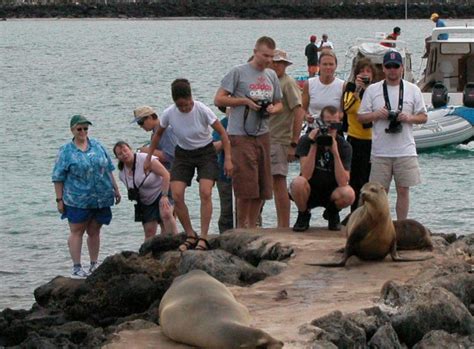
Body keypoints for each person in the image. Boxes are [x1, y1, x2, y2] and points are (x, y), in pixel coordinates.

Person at [145, 78, 232, 251]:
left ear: (191, 98)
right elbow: (157, 136)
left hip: (205, 152)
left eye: (187, 104)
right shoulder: (169, 113)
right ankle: (191, 234)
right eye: (180, 106)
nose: (184, 108)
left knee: (205, 192)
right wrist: (148, 158)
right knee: (176, 195)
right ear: (175, 102)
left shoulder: (202, 110)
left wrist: (228, 159)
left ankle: (204, 236)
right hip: (183, 154)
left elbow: (223, 133)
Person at [214, 36, 283, 229]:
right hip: (240, 134)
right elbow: (219, 99)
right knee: (245, 186)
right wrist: (244, 102)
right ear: (255, 52)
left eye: (271, 56)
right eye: (264, 55)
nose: (268, 60)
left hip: (263, 133)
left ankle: (252, 226)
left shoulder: (271, 76)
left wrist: (272, 109)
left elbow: (279, 103)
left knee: (262, 186)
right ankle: (241, 226)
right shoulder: (238, 72)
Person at [358, 51, 428, 220]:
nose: (392, 70)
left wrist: (408, 118)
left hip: (405, 150)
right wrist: (377, 115)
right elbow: (361, 117)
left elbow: (423, 117)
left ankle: (401, 225)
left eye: (396, 66)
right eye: (388, 66)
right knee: (379, 193)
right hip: (380, 152)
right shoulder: (373, 90)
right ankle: (380, 226)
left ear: (402, 68)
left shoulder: (413, 90)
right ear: (383, 68)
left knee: (403, 190)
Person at [52, 115, 121, 278]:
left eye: (85, 128)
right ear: (72, 130)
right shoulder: (66, 151)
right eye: (79, 129)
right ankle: (76, 267)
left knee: (94, 231)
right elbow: (57, 177)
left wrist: (116, 189)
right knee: (77, 231)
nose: (83, 131)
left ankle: (93, 264)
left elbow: (109, 168)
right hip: (77, 199)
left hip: (101, 197)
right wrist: (59, 200)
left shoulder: (97, 145)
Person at [290, 106, 355, 232]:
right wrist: (314, 145)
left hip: (332, 191)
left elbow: (343, 182)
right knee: (297, 183)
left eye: (334, 124)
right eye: (327, 123)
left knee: (349, 193)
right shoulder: (306, 140)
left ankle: (332, 213)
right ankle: (303, 214)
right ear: (320, 123)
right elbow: (306, 175)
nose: (330, 128)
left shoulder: (344, 146)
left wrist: (335, 152)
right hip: (310, 189)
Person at [114, 141, 178, 241]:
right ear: (117, 158)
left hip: (162, 190)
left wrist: (164, 195)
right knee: (149, 232)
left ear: (130, 149)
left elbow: (166, 175)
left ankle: (174, 243)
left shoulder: (144, 158)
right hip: (146, 200)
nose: (124, 154)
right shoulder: (122, 174)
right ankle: (149, 253)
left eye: (125, 150)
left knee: (165, 214)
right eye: (120, 154)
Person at [269, 49, 305, 228]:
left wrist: (294, 142)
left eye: (280, 63)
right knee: (269, 183)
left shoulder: (288, 83)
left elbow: (299, 111)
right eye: (274, 62)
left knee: (279, 182)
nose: (276, 65)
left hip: (280, 139)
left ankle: (283, 225)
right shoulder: (269, 82)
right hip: (267, 138)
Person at [343, 58, 377, 212]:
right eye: (362, 72)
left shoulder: (375, 91)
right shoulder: (350, 89)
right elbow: (347, 107)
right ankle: (354, 212)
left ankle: (367, 212)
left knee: (367, 179)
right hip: (354, 138)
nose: (365, 75)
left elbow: (376, 111)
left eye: (368, 72)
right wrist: (357, 90)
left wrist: (366, 90)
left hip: (371, 140)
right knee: (354, 179)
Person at [302, 50, 345, 133]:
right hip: (314, 129)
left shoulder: (342, 85)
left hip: (334, 130)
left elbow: (343, 112)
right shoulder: (309, 84)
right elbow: (303, 109)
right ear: (319, 65)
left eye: (331, 64)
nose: (328, 67)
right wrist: (306, 117)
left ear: (336, 66)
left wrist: (333, 119)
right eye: (325, 64)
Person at [132, 106, 178, 171]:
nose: (140, 126)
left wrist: (147, 151)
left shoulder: (165, 130)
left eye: (140, 122)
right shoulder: (156, 132)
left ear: (150, 118)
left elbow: (172, 155)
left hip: (173, 173)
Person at [212, 106, 233, 234]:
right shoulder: (223, 123)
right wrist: (226, 140)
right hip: (225, 175)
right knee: (227, 210)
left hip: (247, 171)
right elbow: (213, 147)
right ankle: (224, 236)